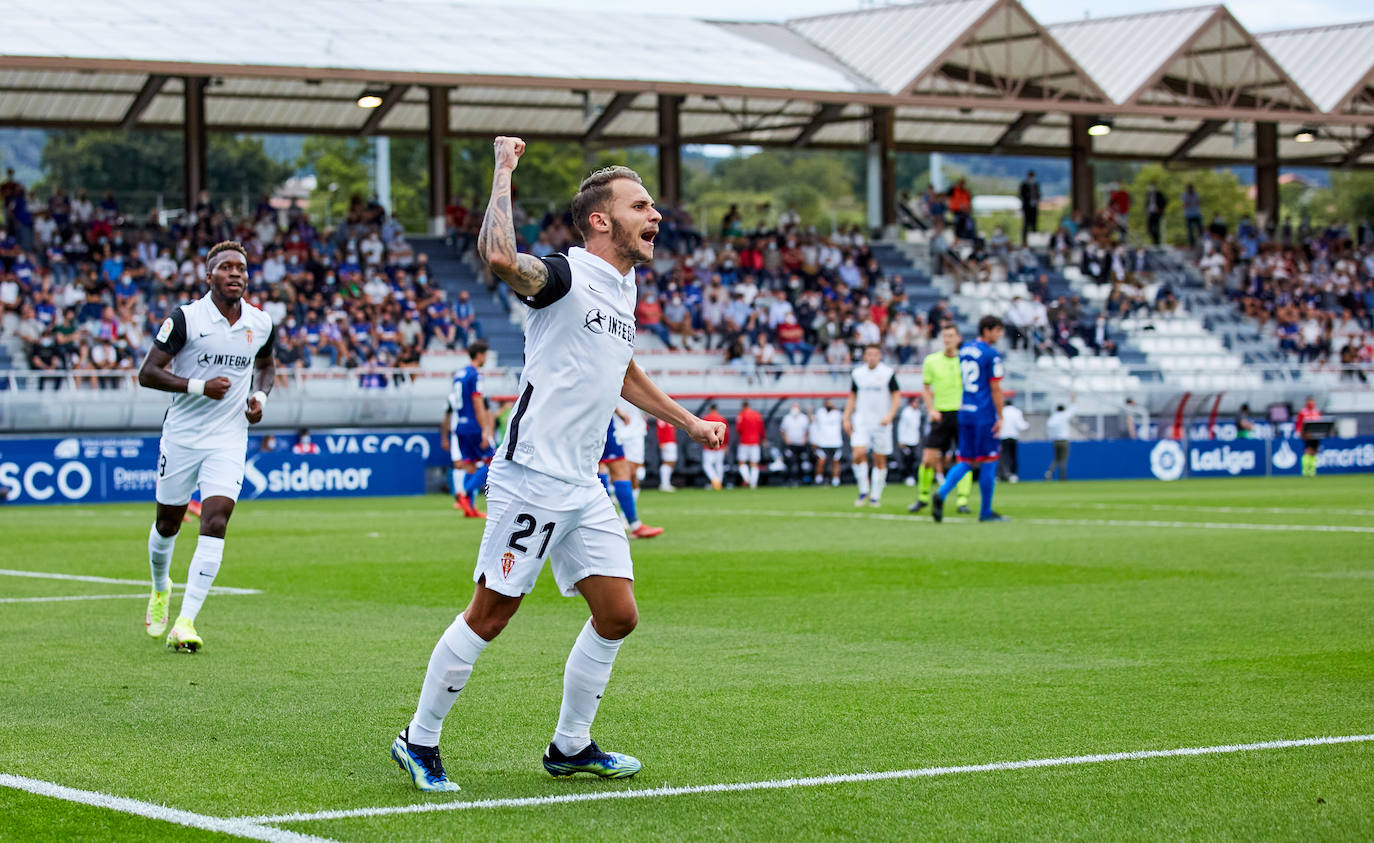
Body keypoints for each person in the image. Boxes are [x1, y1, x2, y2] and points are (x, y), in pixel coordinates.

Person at [394, 140, 725, 792]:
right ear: (602, 220)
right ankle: (418, 739)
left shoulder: (622, 287)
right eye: (641, 205)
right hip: (533, 477)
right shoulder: (565, 275)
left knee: (619, 613)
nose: (655, 214)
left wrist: (686, 420)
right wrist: (504, 170)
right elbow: (496, 257)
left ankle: (570, 745)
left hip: (582, 481)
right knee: (490, 614)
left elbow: (622, 369)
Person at [136, 241, 275, 652]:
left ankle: (186, 621)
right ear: (208, 276)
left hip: (229, 438)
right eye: (226, 267)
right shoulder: (185, 319)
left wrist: (260, 399)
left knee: (215, 521)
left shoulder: (261, 322)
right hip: (181, 436)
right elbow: (148, 373)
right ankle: (161, 587)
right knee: (168, 525)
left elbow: (266, 366)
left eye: (242, 268)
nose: (236, 274)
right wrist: (199, 386)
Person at [932, 316, 1006, 523]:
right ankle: (986, 511)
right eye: (997, 331)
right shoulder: (991, 354)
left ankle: (942, 492)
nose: (999, 335)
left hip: (964, 410)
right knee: (989, 460)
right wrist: (1000, 416)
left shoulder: (964, 350)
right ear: (987, 330)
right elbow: (995, 388)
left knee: (966, 460)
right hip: (983, 413)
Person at [909, 325, 972, 514]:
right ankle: (922, 497)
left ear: (958, 338)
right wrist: (930, 409)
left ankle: (962, 501)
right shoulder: (931, 361)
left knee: (964, 458)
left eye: (951, 336)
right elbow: (926, 389)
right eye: (945, 336)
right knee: (928, 458)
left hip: (962, 414)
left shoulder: (966, 361)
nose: (947, 340)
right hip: (940, 414)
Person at [843, 344, 901, 507]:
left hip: (881, 422)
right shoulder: (858, 374)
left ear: (880, 356)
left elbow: (896, 396)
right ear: (864, 356)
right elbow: (852, 396)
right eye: (869, 354)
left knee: (879, 459)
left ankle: (875, 495)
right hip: (861, 420)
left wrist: (890, 415)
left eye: (875, 354)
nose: (872, 357)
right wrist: (846, 417)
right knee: (858, 453)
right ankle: (863, 491)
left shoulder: (887, 373)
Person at [443, 339, 495, 519]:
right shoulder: (475, 375)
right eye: (485, 355)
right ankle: (464, 494)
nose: (486, 358)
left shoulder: (459, 374)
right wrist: (485, 429)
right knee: (492, 461)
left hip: (460, 426)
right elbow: (477, 401)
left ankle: (469, 509)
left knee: (471, 466)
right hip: (473, 425)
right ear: (479, 355)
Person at [811, 398, 844, 487]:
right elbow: (813, 423)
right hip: (823, 442)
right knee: (821, 461)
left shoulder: (837, 413)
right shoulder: (820, 412)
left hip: (836, 442)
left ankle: (836, 480)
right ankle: (819, 479)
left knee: (836, 461)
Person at [1045, 395, 1077, 481]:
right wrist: (1073, 400)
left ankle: (1049, 472)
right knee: (1063, 459)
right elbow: (1072, 410)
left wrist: (1051, 436)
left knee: (1056, 459)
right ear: (1063, 409)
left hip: (1055, 441)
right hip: (1063, 440)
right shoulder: (1064, 416)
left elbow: (1048, 427)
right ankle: (1063, 476)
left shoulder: (1053, 418)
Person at [779, 402, 811, 486]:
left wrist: (804, 440)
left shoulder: (804, 418)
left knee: (801, 462)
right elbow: (783, 430)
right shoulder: (787, 418)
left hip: (801, 444)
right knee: (789, 462)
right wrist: (787, 441)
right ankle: (789, 479)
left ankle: (801, 480)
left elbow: (807, 431)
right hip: (790, 444)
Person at [735, 400, 765, 489]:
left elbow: (738, 429)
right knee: (754, 464)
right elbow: (761, 429)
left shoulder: (741, 415)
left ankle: (747, 478)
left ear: (743, 406)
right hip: (755, 442)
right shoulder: (757, 415)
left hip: (744, 442)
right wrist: (763, 439)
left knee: (741, 462)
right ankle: (753, 484)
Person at [998, 396, 1028, 482]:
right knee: (1012, 456)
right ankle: (1012, 474)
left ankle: (1000, 475)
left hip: (1002, 437)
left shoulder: (1001, 411)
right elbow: (1021, 426)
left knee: (1002, 456)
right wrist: (1027, 425)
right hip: (1013, 437)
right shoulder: (1016, 412)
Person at [700, 403, 729, 490]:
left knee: (707, 465)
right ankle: (718, 483)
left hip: (708, 445)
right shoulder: (722, 418)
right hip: (720, 445)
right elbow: (726, 433)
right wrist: (726, 444)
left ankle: (715, 481)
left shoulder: (706, 418)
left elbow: (702, 432)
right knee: (719, 465)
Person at [895, 395, 923, 487]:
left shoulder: (918, 412)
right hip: (906, 440)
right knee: (907, 459)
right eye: (915, 402)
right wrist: (901, 440)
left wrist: (917, 437)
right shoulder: (906, 412)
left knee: (914, 458)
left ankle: (912, 476)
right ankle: (906, 476)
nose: (917, 404)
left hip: (914, 440)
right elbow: (901, 427)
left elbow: (916, 427)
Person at [1295, 396, 1322, 477]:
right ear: (1307, 402)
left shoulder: (1317, 411)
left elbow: (1320, 423)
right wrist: (1300, 433)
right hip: (1307, 435)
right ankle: (1305, 470)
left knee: (1314, 452)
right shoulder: (1302, 412)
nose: (1312, 403)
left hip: (1316, 435)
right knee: (1308, 451)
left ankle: (1312, 470)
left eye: (1313, 402)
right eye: (1310, 402)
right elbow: (1299, 424)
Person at [654, 417, 677, 492]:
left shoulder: (669, 418)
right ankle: (664, 484)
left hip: (671, 442)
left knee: (671, 462)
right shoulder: (661, 419)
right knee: (667, 462)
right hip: (667, 443)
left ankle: (666, 483)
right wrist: (662, 442)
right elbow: (660, 431)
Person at [1018, 170, 1040, 245]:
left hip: (1034, 207)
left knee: (1034, 224)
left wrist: (1036, 199)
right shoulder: (1024, 184)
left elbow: (1039, 194)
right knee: (1026, 224)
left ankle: (1034, 241)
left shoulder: (1036, 184)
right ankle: (1024, 242)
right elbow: (1021, 194)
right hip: (1027, 207)